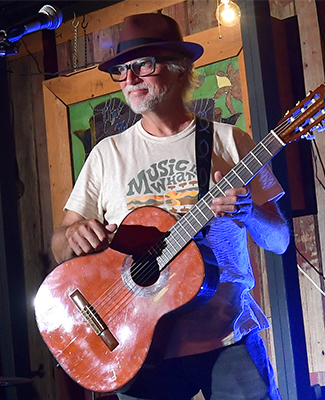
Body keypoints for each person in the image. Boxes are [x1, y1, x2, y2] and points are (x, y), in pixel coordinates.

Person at [50, 13, 289, 400]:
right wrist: (73, 237)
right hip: (139, 343)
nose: (129, 79)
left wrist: (248, 212)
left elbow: (278, 239)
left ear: (180, 69)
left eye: (143, 65)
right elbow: (60, 244)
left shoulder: (229, 141)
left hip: (227, 338)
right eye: (123, 70)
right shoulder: (107, 155)